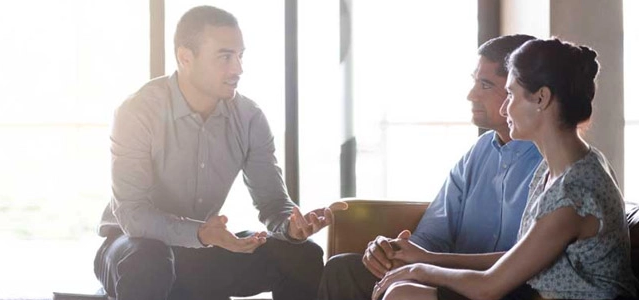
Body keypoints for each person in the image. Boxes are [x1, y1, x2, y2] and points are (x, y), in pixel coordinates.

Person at [94, 5, 338, 300]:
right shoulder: (138, 111)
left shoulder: (249, 118)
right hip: (131, 247)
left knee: (302, 255)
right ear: (185, 57)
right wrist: (199, 233)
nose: (238, 69)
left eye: (240, 55)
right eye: (225, 57)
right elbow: (133, 215)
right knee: (149, 261)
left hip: (201, 248)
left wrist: (291, 226)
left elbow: (273, 203)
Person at [372, 38, 638, 300]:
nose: (504, 108)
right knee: (404, 290)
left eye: (510, 94)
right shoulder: (554, 170)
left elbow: (488, 288)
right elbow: (515, 260)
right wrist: (426, 259)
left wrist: (420, 269)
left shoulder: (574, 192)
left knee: (404, 293)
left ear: (541, 98)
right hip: (528, 293)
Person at [317, 34, 543, 300]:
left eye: (485, 85)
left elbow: (531, 260)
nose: (471, 95)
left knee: (403, 291)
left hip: (507, 288)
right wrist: (395, 252)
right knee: (342, 270)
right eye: (474, 82)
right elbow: (433, 233)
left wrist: (427, 262)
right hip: (448, 277)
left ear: (521, 91)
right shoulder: (478, 153)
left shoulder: (551, 160)